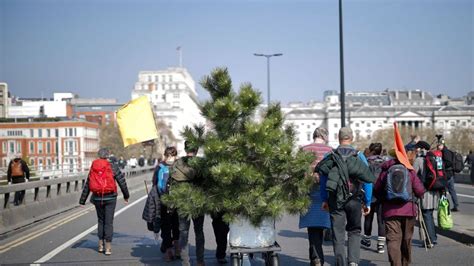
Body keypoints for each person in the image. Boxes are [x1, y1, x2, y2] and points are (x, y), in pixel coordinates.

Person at [317, 127, 376, 266]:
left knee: (338, 233)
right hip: (354, 199)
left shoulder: (330, 156)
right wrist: (367, 202)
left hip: (335, 200)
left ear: (338, 138)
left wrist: (325, 199)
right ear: (352, 138)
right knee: (354, 230)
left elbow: (323, 180)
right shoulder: (359, 156)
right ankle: (353, 262)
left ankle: (340, 262)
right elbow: (367, 181)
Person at [374, 149, 425, 266]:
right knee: (407, 239)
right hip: (409, 210)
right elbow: (420, 190)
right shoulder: (409, 170)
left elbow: (376, 189)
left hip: (390, 211)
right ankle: (405, 263)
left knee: (393, 240)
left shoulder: (386, 171)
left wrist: (384, 198)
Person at [79, 148, 129, 255]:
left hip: (97, 198)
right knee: (109, 222)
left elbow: (88, 183)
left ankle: (100, 245)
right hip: (110, 197)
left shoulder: (94, 166)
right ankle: (108, 247)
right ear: (108, 155)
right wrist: (126, 195)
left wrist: (82, 200)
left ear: (98, 155)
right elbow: (122, 181)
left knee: (101, 220)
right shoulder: (113, 166)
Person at [299, 127, 332, 266]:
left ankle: (316, 258)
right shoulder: (330, 151)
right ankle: (317, 257)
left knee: (312, 228)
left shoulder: (304, 150)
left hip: (308, 192)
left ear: (314, 136)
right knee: (322, 225)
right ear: (325, 137)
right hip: (325, 192)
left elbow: (298, 172)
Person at [175, 141, 206, 266]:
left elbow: (171, 183)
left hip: (182, 202)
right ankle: (200, 261)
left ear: (185, 148)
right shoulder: (201, 164)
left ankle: (185, 262)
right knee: (199, 232)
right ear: (197, 149)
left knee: (183, 233)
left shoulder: (178, 163)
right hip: (198, 202)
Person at [155, 146, 180, 261]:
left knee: (165, 226)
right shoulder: (179, 166)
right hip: (177, 201)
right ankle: (178, 249)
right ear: (175, 155)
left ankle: (169, 252)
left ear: (165, 155)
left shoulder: (160, 166)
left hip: (164, 200)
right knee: (176, 224)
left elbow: (155, 184)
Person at [414, 140, 441, 248]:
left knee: (426, 215)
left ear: (421, 148)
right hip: (435, 190)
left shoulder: (419, 160)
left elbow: (413, 175)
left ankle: (430, 239)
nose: (415, 150)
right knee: (429, 214)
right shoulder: (435, 158)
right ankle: (433, 237)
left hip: (425, 191)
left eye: (417, 148)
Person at [361, 143, 386, 254]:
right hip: (381, 194)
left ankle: (367, 240)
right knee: (381, 220)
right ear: (380, 152)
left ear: (371, 151)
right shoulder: (385, 163)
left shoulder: (366, 162)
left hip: (369, 194)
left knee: (368, 218)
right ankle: (380, 246)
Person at [438, 139, 460, 211]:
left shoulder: (445, 152)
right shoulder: (447, 151)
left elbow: (448, 162)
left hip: (447, 174)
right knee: (451, 190)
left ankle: (444, 205)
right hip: (449, 174)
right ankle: (455, 205)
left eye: (439, 146)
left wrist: (441, 165)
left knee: (443, 190)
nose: (438, 147)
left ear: (442, 145)